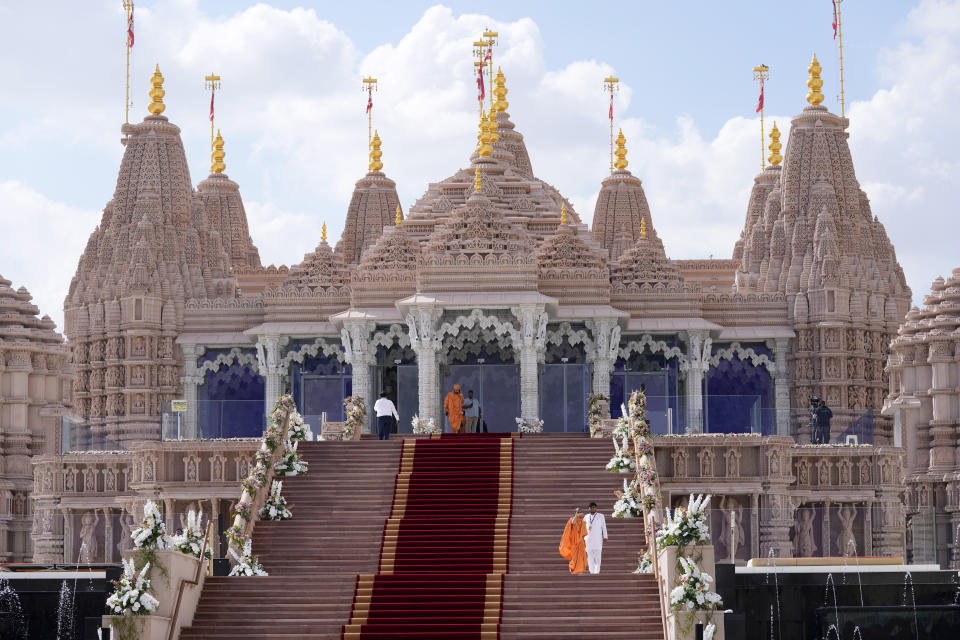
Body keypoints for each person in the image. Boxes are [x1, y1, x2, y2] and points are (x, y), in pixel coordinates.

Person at [559, 507, 588, 574]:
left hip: (581, 542)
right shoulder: (572, 519)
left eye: (580, 512)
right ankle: (574, 569)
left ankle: (581, 569)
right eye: (578, 512)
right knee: (574, 557)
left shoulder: (583, 521)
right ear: (575, 512)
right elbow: (573, 522)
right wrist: (576, 516)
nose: (579, 513)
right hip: (574, 542)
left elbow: (585, 531)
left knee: (582, 556)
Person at [584, 502, 608, 574]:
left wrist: (605, 536)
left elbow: (604, 526)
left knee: (598, 556)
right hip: (588, 539)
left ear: (596, 508)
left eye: (594, 507)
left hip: (598, 539)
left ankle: (597, 571)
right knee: (590, 557)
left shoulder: (601, 516)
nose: (593, 508)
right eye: (591, 507)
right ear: (589, 508)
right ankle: (591, 571)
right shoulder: (586, 516)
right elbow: (582, 527)